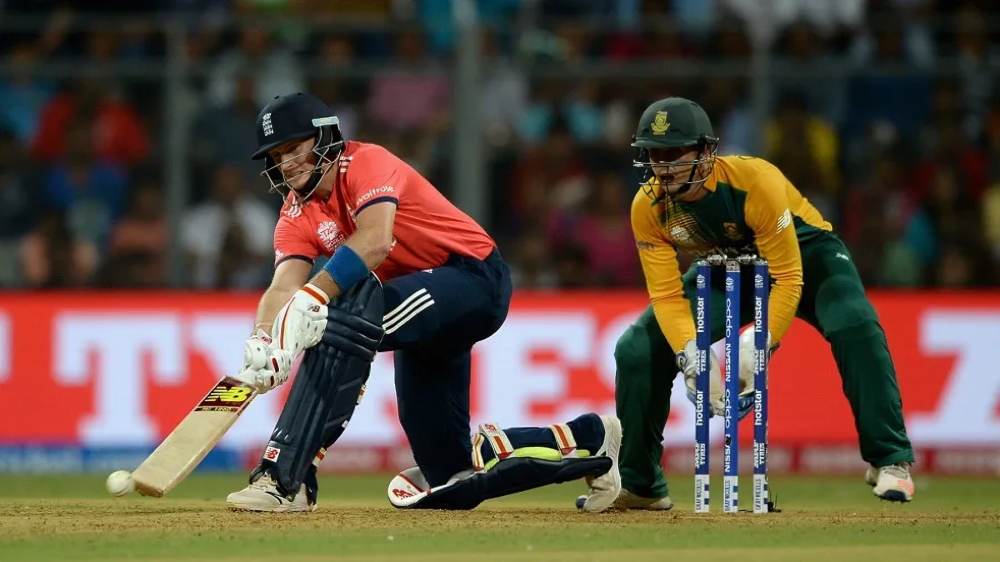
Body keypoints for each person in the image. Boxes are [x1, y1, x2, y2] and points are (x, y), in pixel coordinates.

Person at [224, 92, 621, 512]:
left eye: (293, 149)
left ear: (325, 137)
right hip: (420, 308)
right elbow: (282, 287)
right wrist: (265, 338)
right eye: (276, 156)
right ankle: (591, 438)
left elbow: (375, 241)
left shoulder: (365, 162)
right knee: (450, 474)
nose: (286, 164)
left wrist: (315, 295)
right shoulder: (294, 213)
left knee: (342, 316)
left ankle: (286, 477)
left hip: (473, 279)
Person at [584, 97, 915, 510]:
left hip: (807, 257)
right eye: (653, 154)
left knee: (854, 324)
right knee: (636, 348)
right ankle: (641, 483)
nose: (661, 166)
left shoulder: (753, 180)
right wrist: (692, 355)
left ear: (705, 152)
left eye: (673, 154)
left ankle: (890, 460)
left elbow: (789, 278)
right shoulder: (648, 207)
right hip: (728, 269)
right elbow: (667, 295)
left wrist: (757, 344)